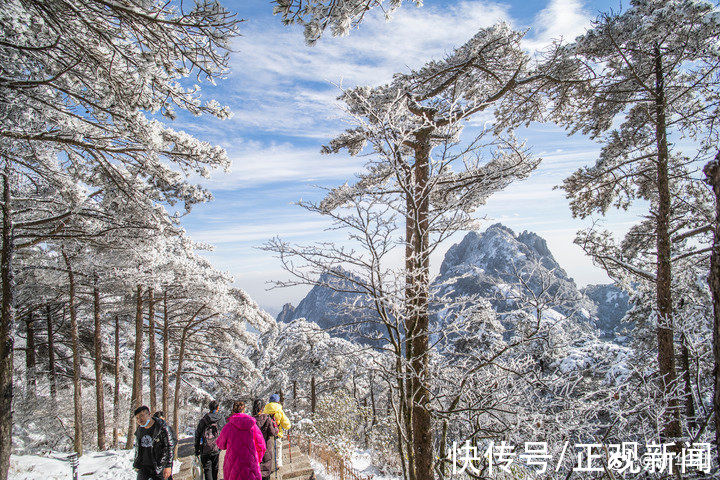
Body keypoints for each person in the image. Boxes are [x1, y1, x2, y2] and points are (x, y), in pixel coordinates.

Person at [217, 400, 266, 480]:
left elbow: (220, 445)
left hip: (233, 464)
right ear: (244, 410)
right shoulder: (252, 425)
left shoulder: (228, 426)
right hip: (250, 463)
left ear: (233, 410)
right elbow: (261, 445)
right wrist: (257, 459)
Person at [132, 405, 175, 480]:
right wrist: (137, 463)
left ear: (149, 414)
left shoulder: (161, 428)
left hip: (158, 466)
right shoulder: (140, 429)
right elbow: (138, 448)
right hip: (144, 467)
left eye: (141, 416)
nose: (139, 420)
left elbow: (169, 446)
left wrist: (168, 465)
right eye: (137, 418)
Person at [194, 400, 224, 480]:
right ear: (217, 408)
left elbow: (197, 434)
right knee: (215, 469)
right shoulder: (220, 419)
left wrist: (197, 449)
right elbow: (224, 432)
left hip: (205, 448)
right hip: (216, 447)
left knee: (207, 470)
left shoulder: (204, 419)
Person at [252, 399, 279, 480]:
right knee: (266, 470)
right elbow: (273, 433)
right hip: (266, 446)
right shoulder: (267, 418)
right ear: (262, 408)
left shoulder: (250, 420)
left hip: (254, 448)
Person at [262, 394, 291, 467]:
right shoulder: (279, 410)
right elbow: (285, 423)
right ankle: (278, 463)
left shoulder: (265, 410)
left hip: (268, 433)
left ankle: (270, 463)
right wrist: (288, 426)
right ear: (278, 401)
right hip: (277, 433)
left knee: (269, 448)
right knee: (278, 446)